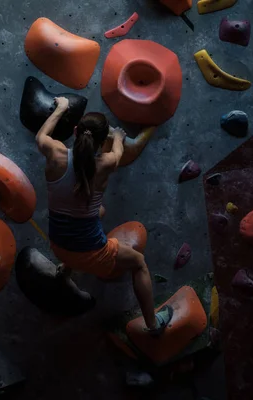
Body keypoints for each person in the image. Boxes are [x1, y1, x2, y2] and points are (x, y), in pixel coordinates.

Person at [35, 96, 172, 335]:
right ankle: (153, 325)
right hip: (91, 253)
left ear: (76, 131)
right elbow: (118, 152)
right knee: (139, 263)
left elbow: (41, 136)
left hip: (57, 245)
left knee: (99, 211)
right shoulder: (106, 163)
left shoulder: (55, 154)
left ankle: (66, 268)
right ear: (101, 142)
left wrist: (62, 108)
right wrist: (118, 136)